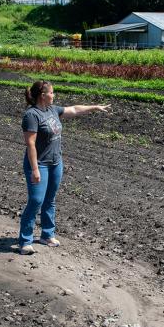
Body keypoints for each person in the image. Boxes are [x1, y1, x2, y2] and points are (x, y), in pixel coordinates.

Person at [18, 80, 110, 254]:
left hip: (55, 163)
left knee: (50, 199)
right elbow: (30, 144)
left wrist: (95, 107)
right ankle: (25, 241)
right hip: (39, 164)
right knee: (36, 200)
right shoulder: (32, 115)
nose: (54, 95)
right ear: (43, 95)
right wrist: (35, 169)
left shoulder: (52, 110)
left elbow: (74, 109)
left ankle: (47, 234)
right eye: (52, 92)